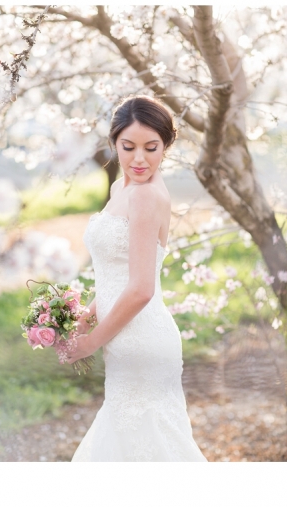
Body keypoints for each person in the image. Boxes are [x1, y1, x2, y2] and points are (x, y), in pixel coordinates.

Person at [67, 95, 207, 462]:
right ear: (114, 142)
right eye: (128, 147)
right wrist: (84, 317)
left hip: (141, 340)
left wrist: (91, 342)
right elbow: (115, 274)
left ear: (167, 146)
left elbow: (142, 288)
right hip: (124, 333)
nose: (139, 159)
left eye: (151, 147)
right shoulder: (122, 188)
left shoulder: (146, 197)